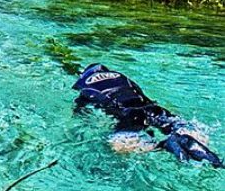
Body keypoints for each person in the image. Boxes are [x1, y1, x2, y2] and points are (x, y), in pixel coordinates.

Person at [72, 63, 222, 167]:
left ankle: (162, 146)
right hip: (152, 108)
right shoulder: (120, 76)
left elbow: (81, 114)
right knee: (178, 124)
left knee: (117, 147)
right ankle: (187, 138)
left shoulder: (84, 85)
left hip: (128, 114)